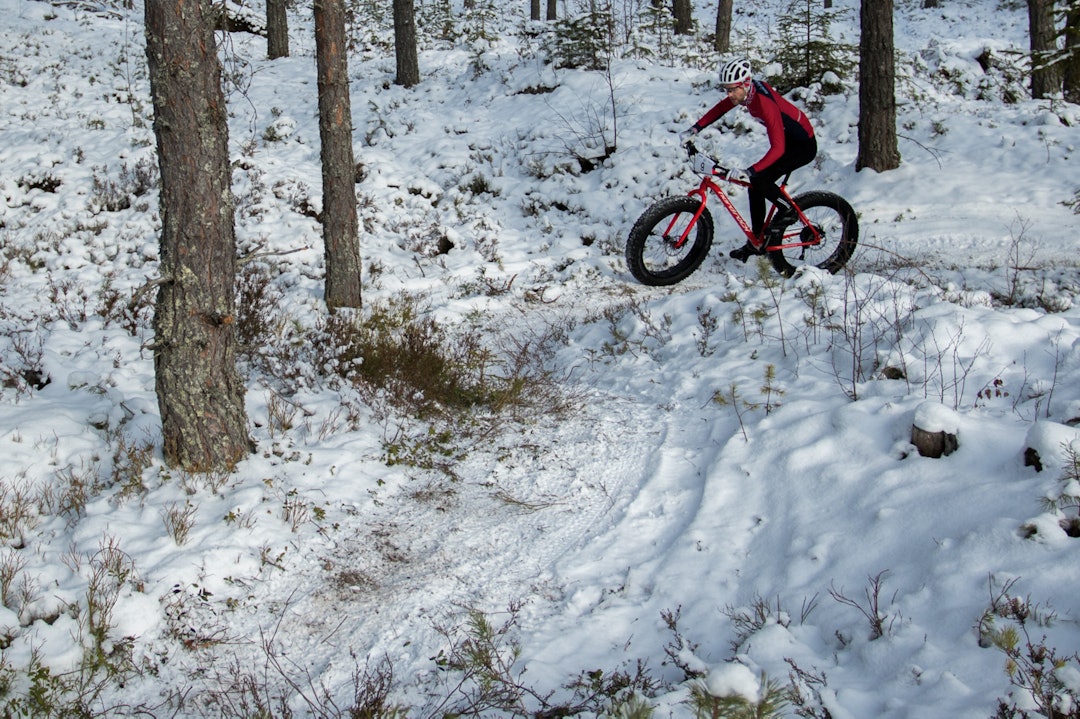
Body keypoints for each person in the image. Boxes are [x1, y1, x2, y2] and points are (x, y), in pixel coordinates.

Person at [680, 58, 817, 263]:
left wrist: (750, 171)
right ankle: (757, 241)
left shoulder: (764, 102)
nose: (729, 94)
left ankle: (788, 210)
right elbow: (721, 108)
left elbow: (778, 148)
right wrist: (695, 129)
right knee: (756, 186)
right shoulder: (746, 93)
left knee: (759, 180)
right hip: (788, 141)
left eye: (732, 90)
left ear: (745, 84)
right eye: (726, 90)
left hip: (802, 146)